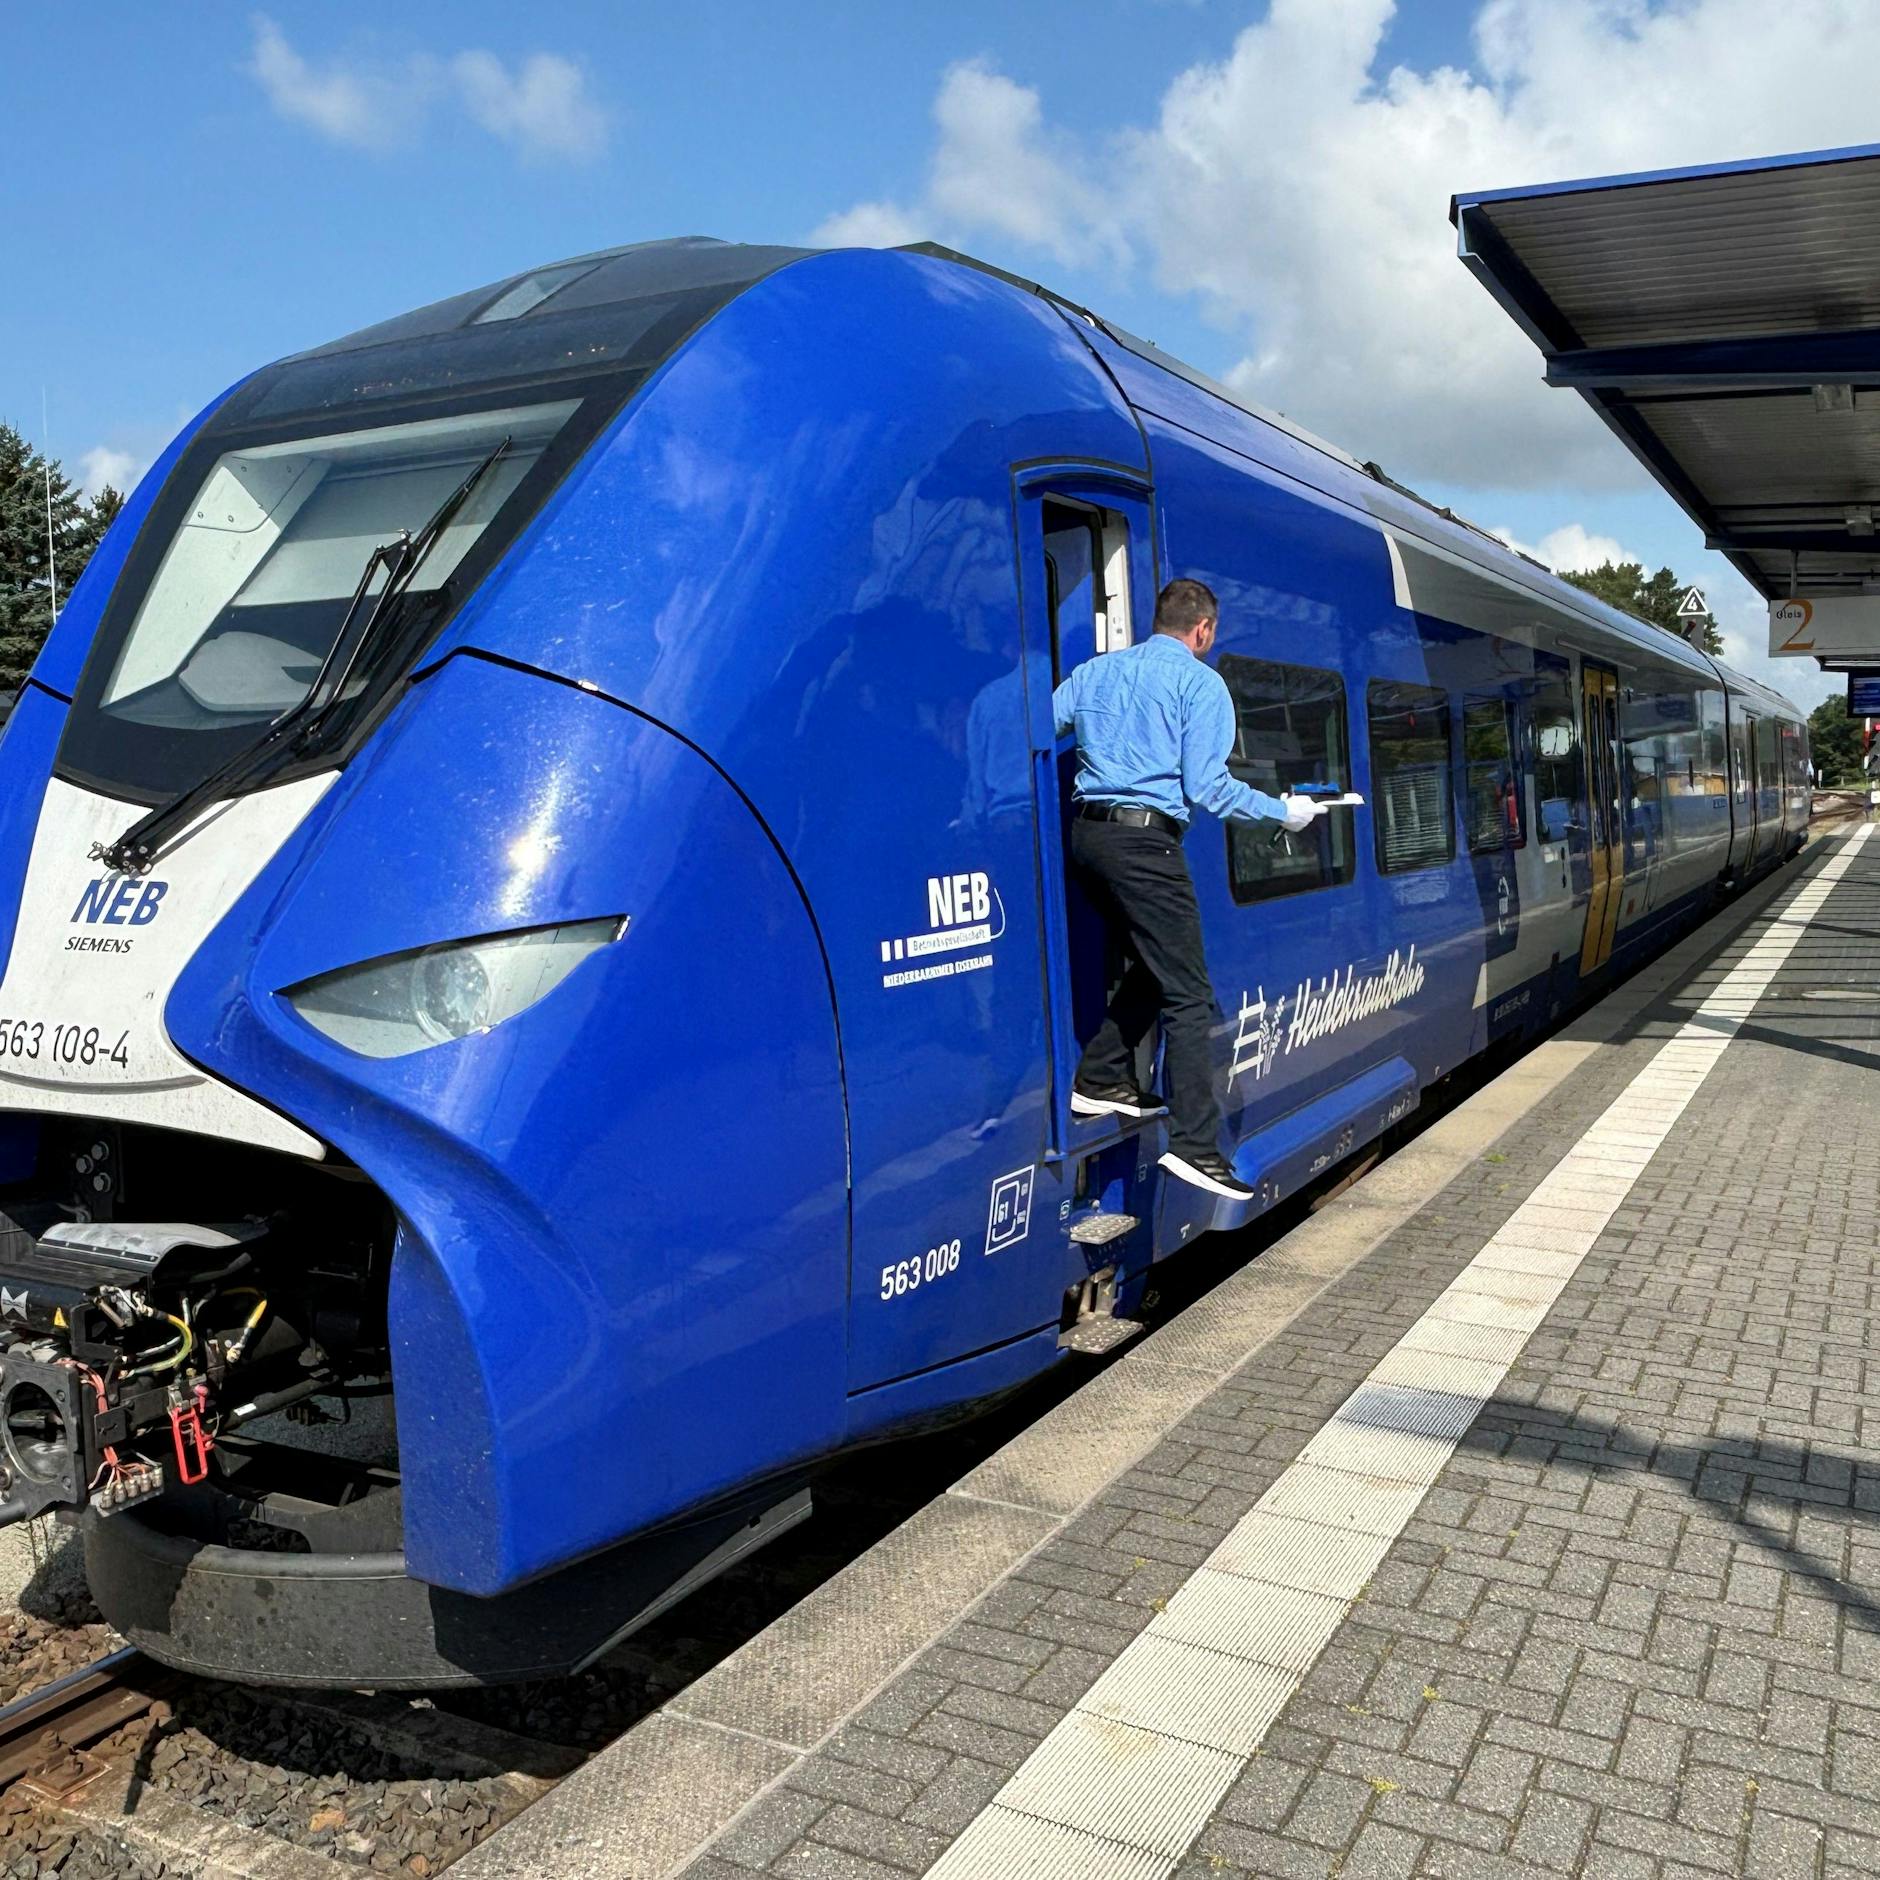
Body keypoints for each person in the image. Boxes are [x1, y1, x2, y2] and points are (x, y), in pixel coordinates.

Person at [1052, 577, 1320, 1201]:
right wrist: (1283, 813)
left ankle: (1102, 1076)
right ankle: (1197, 1146)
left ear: (1161, 620)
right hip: (1146, 845)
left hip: (1087, 840)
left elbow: (1041, 726)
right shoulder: (1200, 684)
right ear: (1203, 630)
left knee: (1156, 965)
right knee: (1190, 994)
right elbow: (1207, 786)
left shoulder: (1094, 673)